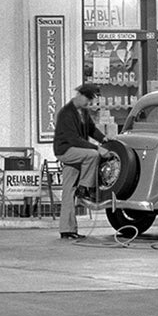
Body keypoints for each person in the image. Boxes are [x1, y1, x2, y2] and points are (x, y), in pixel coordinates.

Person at [52, 82, 110, 240]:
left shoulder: (83, 112)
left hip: (77, 154)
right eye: (88, 99)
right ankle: (84, 188)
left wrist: (104, 139)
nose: (89, 103)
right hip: (66, 150)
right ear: (79, 95)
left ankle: (67, 230)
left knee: (68, 192)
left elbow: (91, 129)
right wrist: (97, 148)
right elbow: (73, 139)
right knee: (93, 155)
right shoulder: (66, 113)